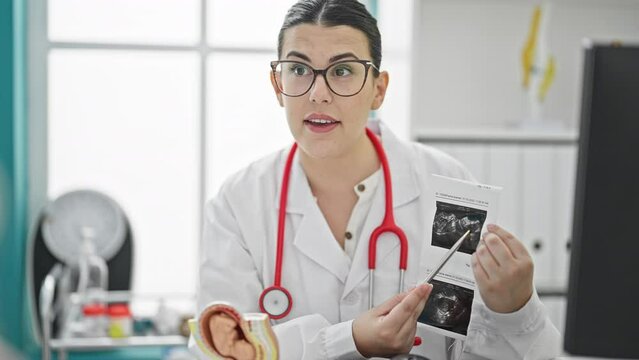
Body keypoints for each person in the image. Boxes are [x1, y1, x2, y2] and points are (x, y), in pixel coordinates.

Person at [189, 0, 562, 358]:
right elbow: (220, 351)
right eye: (299, 69)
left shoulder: (447, 186)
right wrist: (347, 340)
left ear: (378, 89)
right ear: (277, 85)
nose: (318, 95)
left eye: (342, 71)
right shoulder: (239, 203)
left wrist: (514, 310)